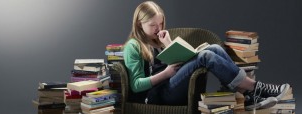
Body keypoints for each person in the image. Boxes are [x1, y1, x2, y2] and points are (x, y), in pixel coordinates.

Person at [123, 1, 290, 111]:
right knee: (206, 56)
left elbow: (175, 60)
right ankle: (255, 88)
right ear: (139, 23)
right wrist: (166, 73)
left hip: (171, 85)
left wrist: (168, 43)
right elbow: (136, 85)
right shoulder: (133, 46)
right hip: (156, 96)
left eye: (160, 23)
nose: (158, 28)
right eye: (153, 25)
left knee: (214, 48)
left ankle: (244, 93)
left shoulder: (157, 39)